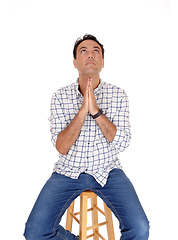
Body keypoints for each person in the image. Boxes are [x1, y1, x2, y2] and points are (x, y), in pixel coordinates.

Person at [24, 34, 149, 240]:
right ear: (75, 62)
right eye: (83, 51)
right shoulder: (60, 96)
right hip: (68, 171)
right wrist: (83, 110)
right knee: (35, 232)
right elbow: (62, 147)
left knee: (140, 228)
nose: (90, 55)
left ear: (102, 61)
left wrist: (97, 112)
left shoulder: (118, 94)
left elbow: (123, 142)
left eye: (95, 51)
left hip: (108, 171)